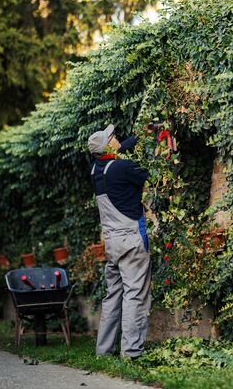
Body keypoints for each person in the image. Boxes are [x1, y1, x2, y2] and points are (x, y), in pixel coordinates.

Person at [87, 124, 151, 359]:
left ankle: (103, 351)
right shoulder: (124, 168)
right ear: (108, 145)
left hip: (112, 244)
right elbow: (149, 173)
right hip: (132, 241)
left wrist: (139, 136)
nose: (117, 138)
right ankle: (131, 353)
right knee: (135, 294)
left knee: (113, 294)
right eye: (113, 137)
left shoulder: (96, 170)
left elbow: (119, 151)